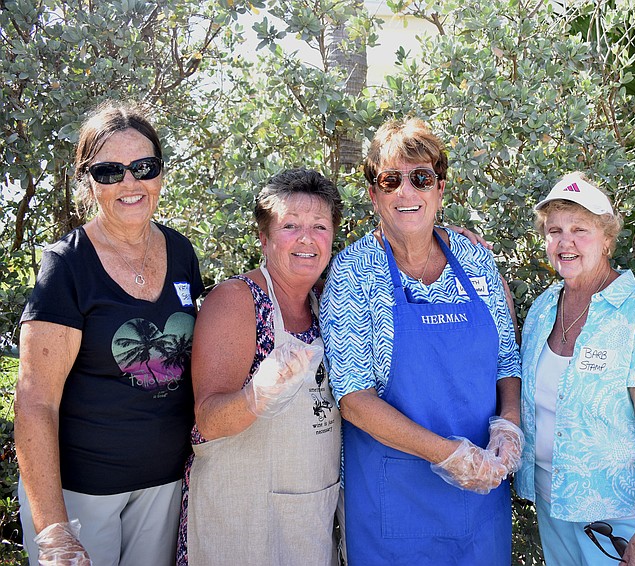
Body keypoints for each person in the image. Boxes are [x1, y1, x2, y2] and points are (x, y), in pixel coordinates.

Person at [320, 117, 523, 565]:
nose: (406, 192)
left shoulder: (473, 259)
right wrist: (449, 456)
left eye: (421, 178)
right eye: (390, 180)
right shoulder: (355, 272)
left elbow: (507, 360)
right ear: (374, 195)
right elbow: (353, 398)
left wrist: (508, 428)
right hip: (395, 498)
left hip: (481, 493)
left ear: (440, 189)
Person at [14, 101, 203, 565]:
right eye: (109, 171)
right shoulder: (67, 266)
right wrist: (53, 529)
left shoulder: (181, 253)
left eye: (143, 167)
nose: (129, 183)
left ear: (160, 172)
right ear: (87, 181)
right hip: (80, 495)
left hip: (164, 486)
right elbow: (34, 401)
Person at [515, 172, 635, 566]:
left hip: (614, 513)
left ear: (607, 239)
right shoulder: (543, 308)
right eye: (554, 230)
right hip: (550, 496)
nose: (565, 241)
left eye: (580, 230)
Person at [180, 168, 343, 565]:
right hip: (238, 514)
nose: (306, 238)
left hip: (308, 515)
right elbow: (209, 420)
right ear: (264, 238)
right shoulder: (237, 301)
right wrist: (257, 396)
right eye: (290, 225)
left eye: (319, 226)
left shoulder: (330, 302)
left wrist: (446, 238)